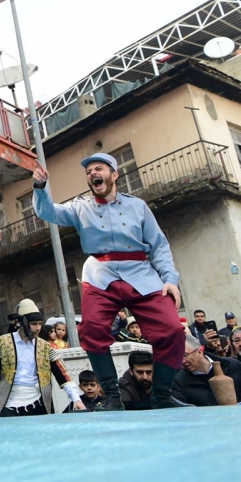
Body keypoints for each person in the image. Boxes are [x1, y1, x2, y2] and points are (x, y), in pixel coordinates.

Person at [32, 153, 187, 411]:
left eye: (98, 168)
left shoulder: (138, 207)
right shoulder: (80, 207)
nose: (92, 173)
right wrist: (39, 187)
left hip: (141, 273)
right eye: (89, 171)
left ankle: (162, 395)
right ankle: (112, 396)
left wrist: (170, 279)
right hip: (100, 274)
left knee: (172, 329)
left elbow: (159, 245)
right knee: (91, 330)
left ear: (114, 175)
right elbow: (49, 211)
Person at [0, 299, 84, 417]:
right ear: (22, 323)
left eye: (40, 324)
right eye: (34, 324)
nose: (38, 328)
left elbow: (63, 375)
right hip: (9, 402)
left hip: (39, 403)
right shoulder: (3, 342)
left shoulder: (45, 347)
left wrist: (76, 399)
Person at [172, 334, 241, 406]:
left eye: (185, 355)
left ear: (200, 352)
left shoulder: (233, 365)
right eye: (178, 357)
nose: (182, 361)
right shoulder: (179, 381)